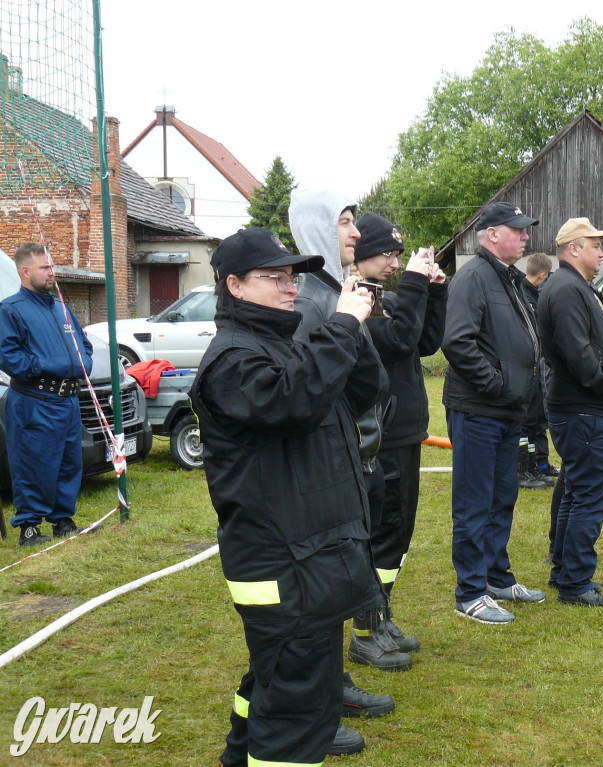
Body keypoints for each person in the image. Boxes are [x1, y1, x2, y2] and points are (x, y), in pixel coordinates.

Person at [191, 227, 384, 764]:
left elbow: (358, 393)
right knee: (296, 710)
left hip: (311, 556)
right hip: (280, 564)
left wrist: (353, 331)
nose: (290, 287)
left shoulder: (287, 343)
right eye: (273, 277)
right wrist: (340, 326)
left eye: (291, 277)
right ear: (234, 285)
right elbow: (295, 401)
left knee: (278, 679)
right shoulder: (232, 360)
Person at [288, 193, 407, 695]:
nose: (355, 233)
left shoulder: (337, 291)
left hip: (356, 455)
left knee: (343, 572)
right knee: (323, 580)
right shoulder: (311, 304)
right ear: (317, 228)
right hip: (334, 463)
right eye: (343, 222)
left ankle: (332, 680)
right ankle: (323, 690)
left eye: (353, 222)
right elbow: (312, 393)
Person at [442, 201, 546, 624]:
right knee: (474, 502)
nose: (525, 236)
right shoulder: (473, 277)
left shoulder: (509, 278)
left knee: (502, 496)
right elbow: (458, 342)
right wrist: (498, 385)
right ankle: (470, 592)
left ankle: (496, 577)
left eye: (525, 230)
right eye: (517, 230)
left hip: (506, 410)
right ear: (491, 234)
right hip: (479, 409)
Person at [350, 211, 448, 656]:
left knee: (399, 531)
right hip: (380, 438)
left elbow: (424, 342)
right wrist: (413, 282)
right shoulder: (355, 301)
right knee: (383, 531)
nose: (394, 263)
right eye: (387, 254)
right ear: (361, 254)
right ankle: (365, 630)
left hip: (404, 432)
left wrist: (435, 290)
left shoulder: (382, 297)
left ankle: (380, 614)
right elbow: (399, 339)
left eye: (398, 256)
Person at [538, 217, 603, 606]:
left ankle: (565, 571)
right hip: (584, 410)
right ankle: (575, 582)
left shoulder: (572, 286)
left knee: (578, 491)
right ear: (573, 249)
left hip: (584, 409)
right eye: (596, 246)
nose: (602, 253)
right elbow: (577, 351)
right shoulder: (566, 289)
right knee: (591, 493)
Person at [0, 243, 93, 547]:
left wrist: (81, 364)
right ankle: (29, 527)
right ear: (25, 271)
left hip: (68, 401)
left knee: (69, 462)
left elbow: (84, 346)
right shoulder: (11, 310)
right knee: (33, 463)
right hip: (35, 401)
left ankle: (63, 521)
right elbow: (10, 358)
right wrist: (54, 365)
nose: (52, 272)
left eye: (52, 266)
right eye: (45, 268)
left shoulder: (60, 307)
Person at [518, 252, 556, 489]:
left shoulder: (533, 295)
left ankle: (534, 466)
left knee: (535, 421)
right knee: (524, 423)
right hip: (527, 369)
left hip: (537, 368)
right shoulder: (523, 296)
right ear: (542, 275)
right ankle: (521, 470)